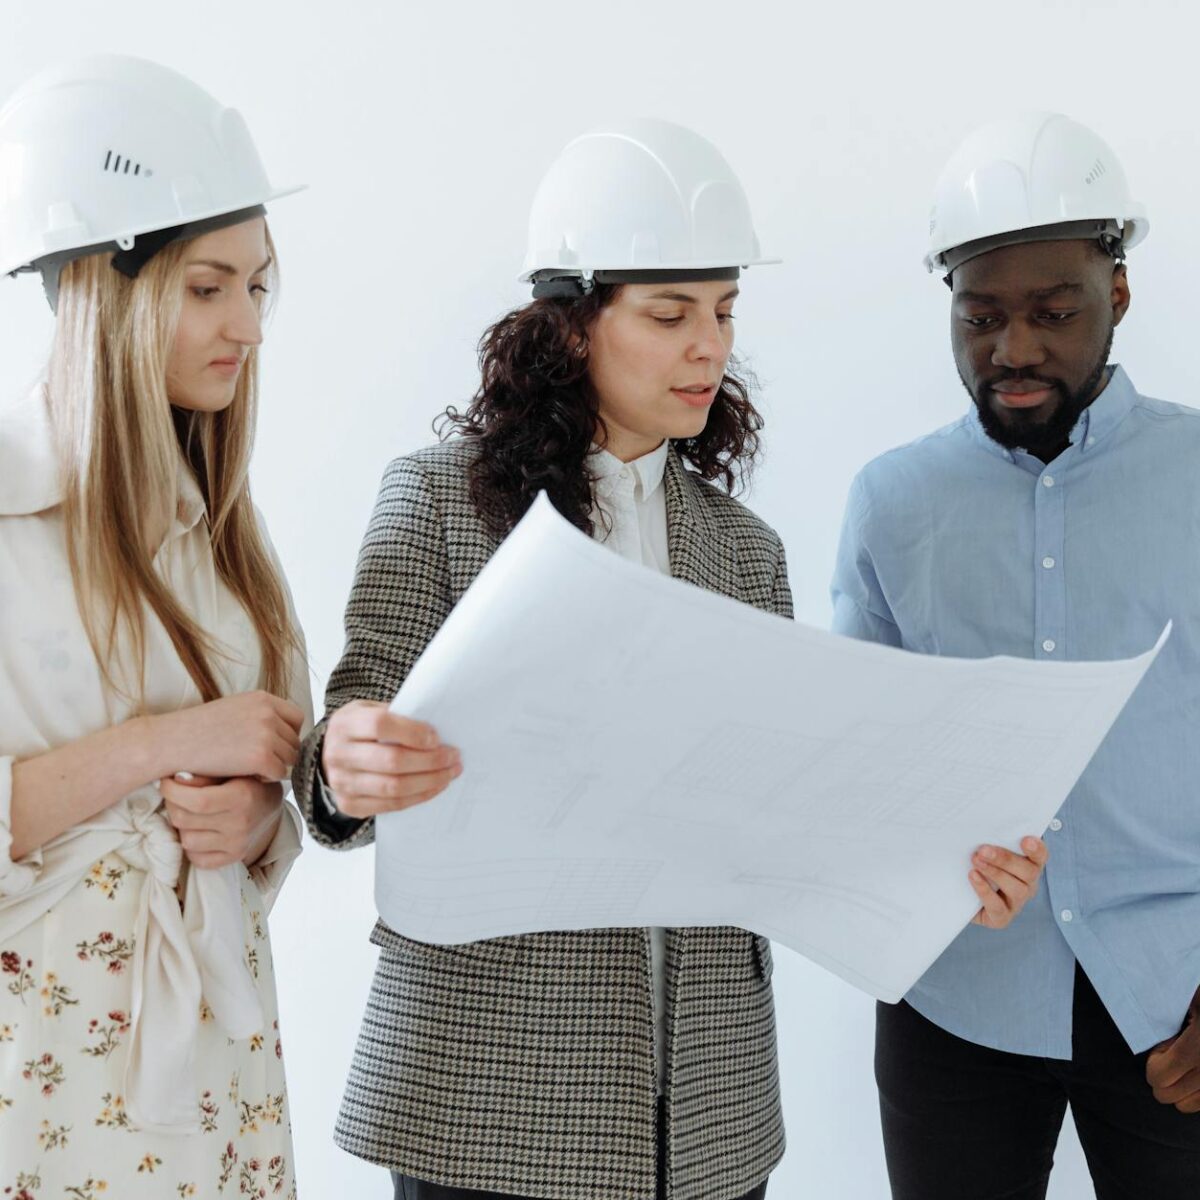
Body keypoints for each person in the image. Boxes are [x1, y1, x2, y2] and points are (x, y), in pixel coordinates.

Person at [294, 118, 1043, 1200]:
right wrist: (341, 766)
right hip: (493, 1086)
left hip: (707, 1103)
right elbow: (344, 743)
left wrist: (948, 876)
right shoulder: (440, 501)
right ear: (570, 327)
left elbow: (796, 812)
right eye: (671, 313)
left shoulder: (746, 552)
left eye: (726, 311)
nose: (711, 345)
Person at [832, 112, 1200, 1199]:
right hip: (955, 1002)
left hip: (1176, 1001)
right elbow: (854, 765)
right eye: (982, 316)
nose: (1015, 350)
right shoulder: (891, 503)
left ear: (1117, 296)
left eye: (1053, 311)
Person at [0, 56, 310, 1198]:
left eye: (259, 287)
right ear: (106, 288)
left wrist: (255, 812)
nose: (248, 326)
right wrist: (161, 747)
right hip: (40, 1083)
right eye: (208, 286)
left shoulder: (227, 531)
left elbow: (278, 766)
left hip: (221, 1075)